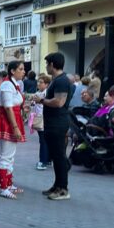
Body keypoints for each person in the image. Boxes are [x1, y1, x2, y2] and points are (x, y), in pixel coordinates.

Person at [35, 52, 73, 201]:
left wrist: (42, 100)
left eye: (47, 64)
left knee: (59, 156)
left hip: (58, 123)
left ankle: (63, 188)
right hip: (52, 123)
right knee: (56, 156)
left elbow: (59, 102)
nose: (46, 67)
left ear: (52, 64)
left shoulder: (62, 81)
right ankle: (57, 185)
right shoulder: (56, 80)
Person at [0, 61, 26, 199]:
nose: (24, 71)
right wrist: (15, 127)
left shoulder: (13, 84)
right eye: (21, 69)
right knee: (5, 156)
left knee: (8, 156)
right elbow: (8, 107)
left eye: (23, 69)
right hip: (7, 122)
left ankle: (7, 184)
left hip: (10, 121)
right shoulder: (7, 85)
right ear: (12, 71)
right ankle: (4, 187)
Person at [31, 74, 51, 171]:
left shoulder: (47, 93)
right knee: (44, 140)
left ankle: (43, 161)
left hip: (44, 119)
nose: (38, 84)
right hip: (39, 118)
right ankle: (47, 159)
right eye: (38, 82)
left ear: (47, 84)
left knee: (43, 141)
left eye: (41, 82)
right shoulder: (38, 92)